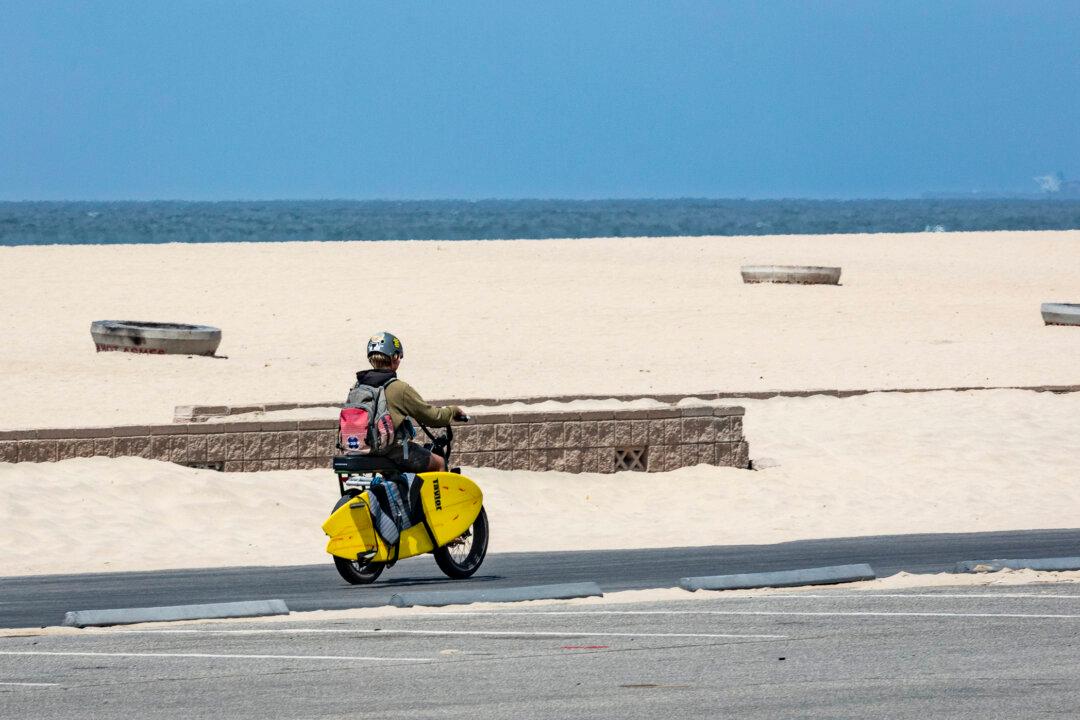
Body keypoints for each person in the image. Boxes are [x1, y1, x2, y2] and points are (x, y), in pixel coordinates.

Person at [350, 331, 465, 473]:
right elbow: (433, 417)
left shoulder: (358, 386)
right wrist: (452, 411)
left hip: (360, 448)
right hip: (391, 451)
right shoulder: (398, 388)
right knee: (439, 463)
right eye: (399, 356)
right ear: (394, 357)